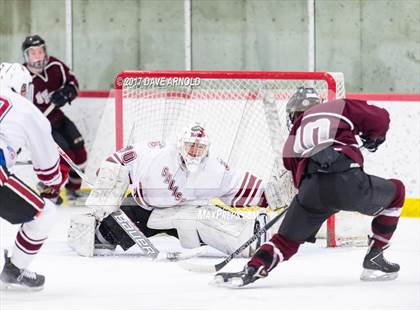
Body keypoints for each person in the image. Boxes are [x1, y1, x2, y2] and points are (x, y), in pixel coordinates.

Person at [213, 87, 405, 287]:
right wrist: (375, 136)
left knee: (285, 240)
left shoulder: (292, 139)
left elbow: (294, 171)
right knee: (397, 191)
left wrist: (306, 197)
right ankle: (375, 257)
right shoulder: (339, 106)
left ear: (293, 113)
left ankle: (253, 267)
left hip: (311, 191)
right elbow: (381, 117)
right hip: (349, 182)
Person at [68, 122, 279, 257]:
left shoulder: (213, 169)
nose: (195, 151)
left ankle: (251, 233)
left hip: (179, 212)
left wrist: (272, 195)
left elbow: (240, 185)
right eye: (190, 145)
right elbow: (118, 161)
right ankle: (96, 229)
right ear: (180, 144)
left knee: (203, 216)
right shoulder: (156, 153)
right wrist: (106, 189)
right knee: (100, 240)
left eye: (200, 147)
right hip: (140, 208)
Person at [0, 63, 68, 290]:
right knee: (45, 215)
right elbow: (47, 166)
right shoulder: (26, 110)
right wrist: (53, 182)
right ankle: (14, 270)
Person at [22, 34, 87, 201]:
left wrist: (67, 92)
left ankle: (73, 189)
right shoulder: (23, 77)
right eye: (33, 52)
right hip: (42, 127)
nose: (37, 55)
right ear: (26, 55)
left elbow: (73, 83)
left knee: (80, 152)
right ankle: (49, 191)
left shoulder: (55, 65)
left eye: (40, 51)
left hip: (59, 118)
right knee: (65, 157)